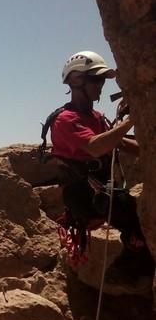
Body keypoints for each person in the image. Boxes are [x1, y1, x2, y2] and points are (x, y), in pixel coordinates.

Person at [45, 50, 152, 284]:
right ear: (76, 80)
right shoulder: (65, 119)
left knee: (137, 208)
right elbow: (95, 147)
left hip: (100, 190)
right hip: (84, 197)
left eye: (101, 79)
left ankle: (130, 260)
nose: (100, 85)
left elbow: (121, 143)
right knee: (124, 205)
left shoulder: (96, 117)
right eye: (95, 79)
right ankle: (131, 263)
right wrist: (130, 120)